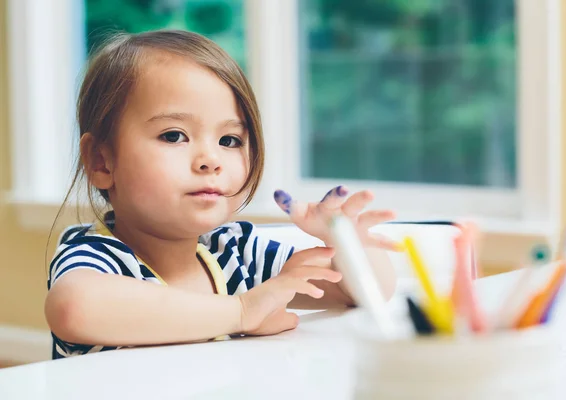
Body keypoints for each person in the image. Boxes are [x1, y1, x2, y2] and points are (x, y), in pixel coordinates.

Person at [45, 30, 397, 359]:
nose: (210, 160)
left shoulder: (234, 252)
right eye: (173, 135)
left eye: (229, 141)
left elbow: (367, 294)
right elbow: (74, 307)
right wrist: (242, 311)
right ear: (101, 161)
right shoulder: (99, 257)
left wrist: (346, 241)